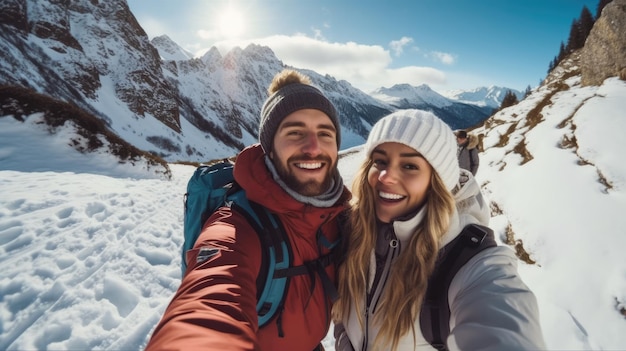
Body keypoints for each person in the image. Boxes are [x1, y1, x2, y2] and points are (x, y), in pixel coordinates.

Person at [146, 69, 351, 351]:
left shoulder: (339, 217)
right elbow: (208, 303)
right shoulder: (236, 226)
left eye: (325, 133)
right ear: (268, 147)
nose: (313, 147)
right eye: (295, 132)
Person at [332, 110, 545, 351]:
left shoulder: (467, 263)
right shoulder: (355, 230)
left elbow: (504, 325)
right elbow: (345, 313)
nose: (386, 176)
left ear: (437, 181)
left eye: (410, 165)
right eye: (379, 160)